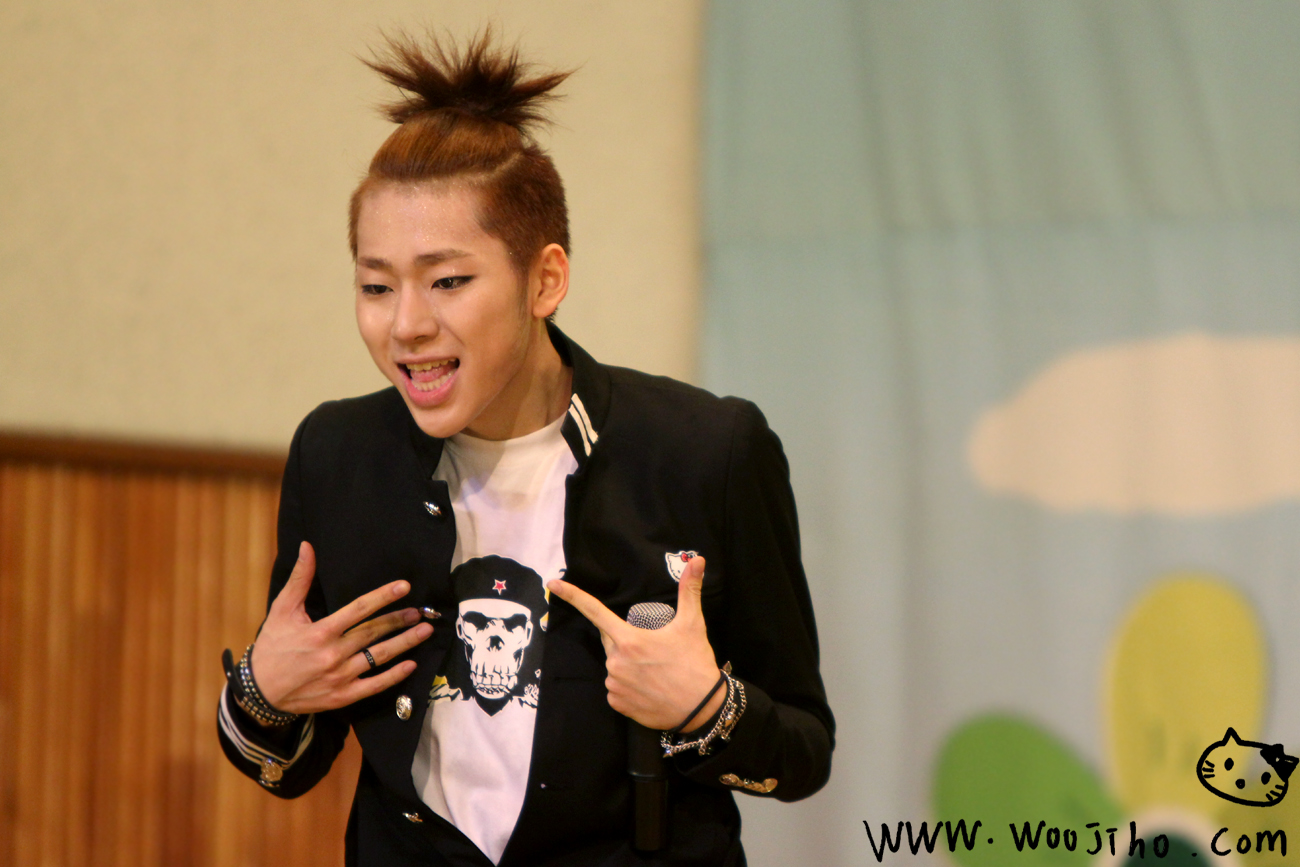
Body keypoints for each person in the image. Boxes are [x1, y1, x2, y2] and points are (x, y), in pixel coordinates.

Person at [217, 29, 833, 867]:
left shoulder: (706, 451)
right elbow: (289, 763)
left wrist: (706, 709)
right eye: (375, 284)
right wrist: (262, 690)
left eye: (448, 280)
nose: (406, 324)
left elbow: (802, 751)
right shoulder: (339, 454)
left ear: (545, 279)